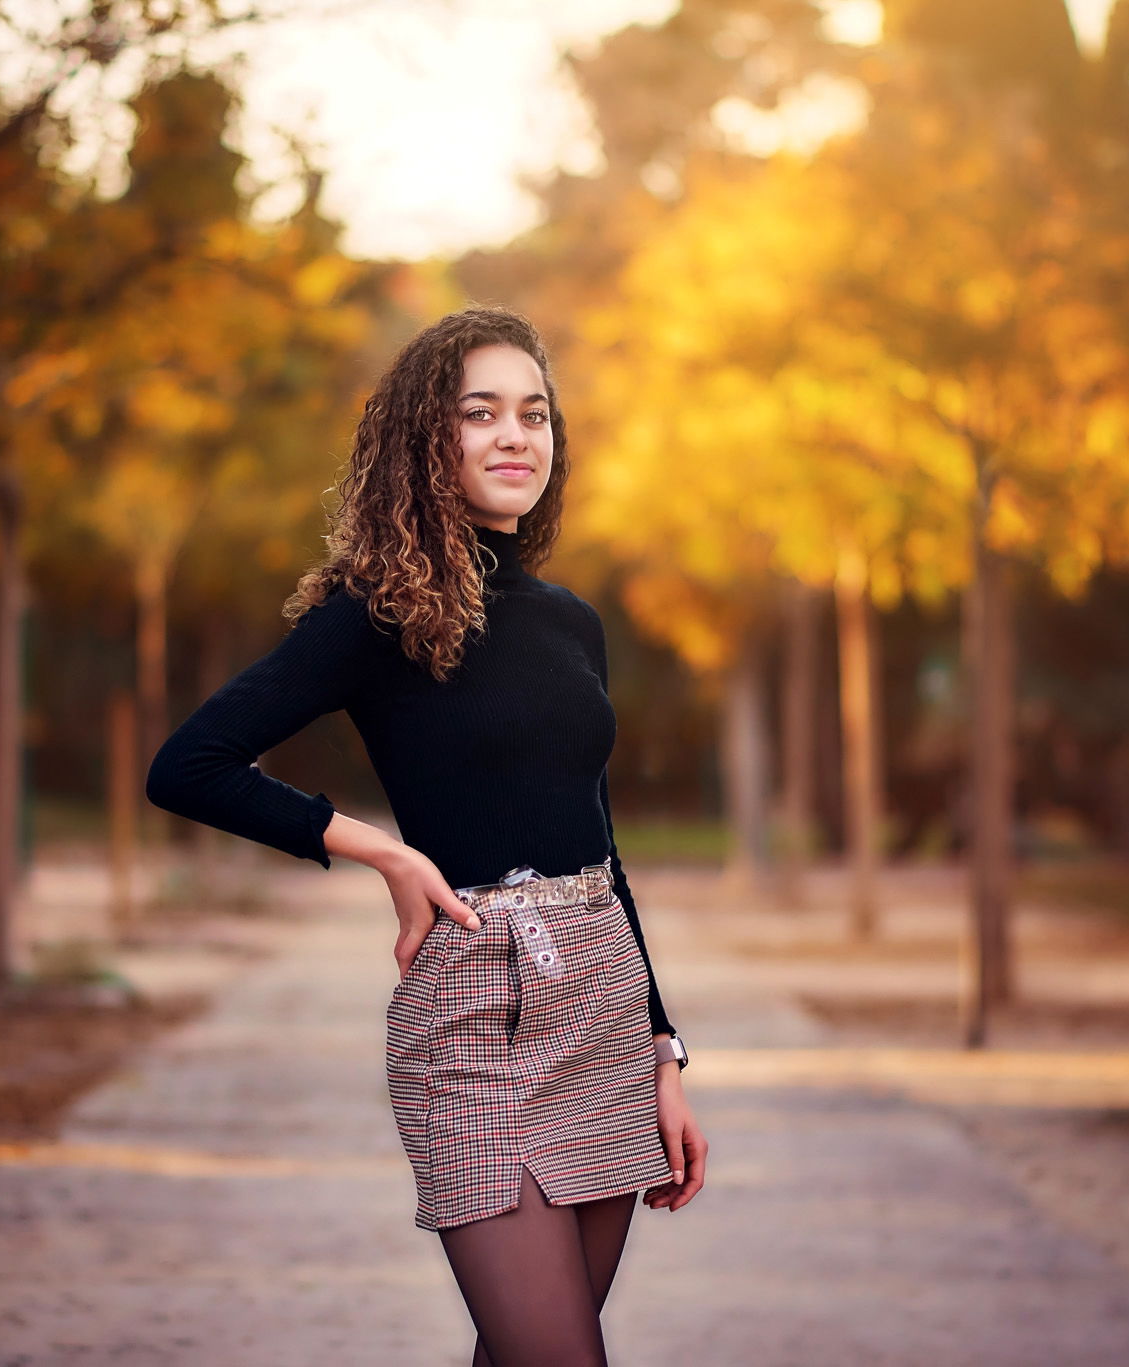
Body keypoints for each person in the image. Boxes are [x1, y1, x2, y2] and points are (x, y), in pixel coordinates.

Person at [145, 305, 707, 1365]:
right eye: (480, 411)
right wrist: (384, 851)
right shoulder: (373, 613)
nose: (514, 436)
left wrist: (658, 1046)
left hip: (598, 1003)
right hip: (473, 1022)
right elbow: (188, 765)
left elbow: (599, 838)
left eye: (533, 414)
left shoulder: (569, 622)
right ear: (424, 439)